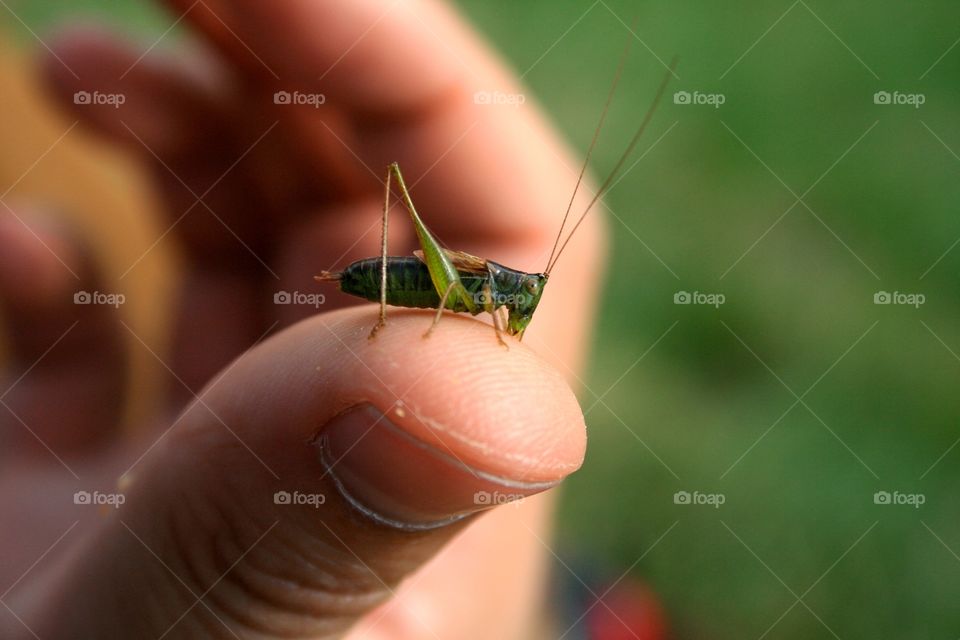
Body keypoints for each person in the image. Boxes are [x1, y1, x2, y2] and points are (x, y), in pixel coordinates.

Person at [0, 0, 606, 637]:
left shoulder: (506, 294)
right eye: (526, 295)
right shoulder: (487, 289)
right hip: (397, 278)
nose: (526, 302)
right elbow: (455, 284)